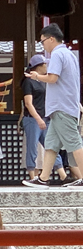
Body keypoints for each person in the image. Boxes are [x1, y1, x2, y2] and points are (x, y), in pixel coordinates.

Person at [23, 23, 83, 188]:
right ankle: (43, 178)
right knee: (51, 145)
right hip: (63, 106)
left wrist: (36, 77)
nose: (42, 45)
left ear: (51, 39)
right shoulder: (69, 54)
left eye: (42, 41)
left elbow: (52, 78)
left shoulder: (57, 54)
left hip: (61, 107)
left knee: (74, 142)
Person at [20, 54, 68, 182]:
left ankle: (63, 175)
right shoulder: (28, 81)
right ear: (38, 66)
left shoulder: (43, 80)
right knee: (32, 147)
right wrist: (38, 118)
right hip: (32, 119)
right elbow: (28, 103)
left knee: (51, 146)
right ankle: (32, 175)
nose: (47, 66)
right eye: (45, 64)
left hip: (45, 118)